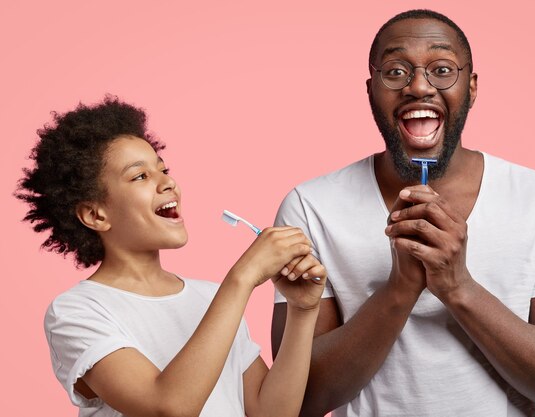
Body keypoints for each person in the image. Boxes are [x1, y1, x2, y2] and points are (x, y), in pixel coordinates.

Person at [271, 9, 535, 417]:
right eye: (395, 72)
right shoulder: (310, 208)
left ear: (472, 87)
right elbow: (294, 401)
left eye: (442, 69)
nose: (417, 86)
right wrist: (400, 289)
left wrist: (457, 286)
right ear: (371, 89)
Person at [16, 96, 327, 417]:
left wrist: (302, 312)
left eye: (163, 170)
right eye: (140, 176)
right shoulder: (77, 312)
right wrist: (243, 277)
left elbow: (271, 413)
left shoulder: (210, 298)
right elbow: (167, 408)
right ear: (95, 215)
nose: (169, 183)